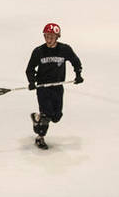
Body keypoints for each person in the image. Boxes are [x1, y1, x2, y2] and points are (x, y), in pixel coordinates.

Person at [25, 22, 83, 150]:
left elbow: (76, 61)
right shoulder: (39, 51)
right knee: (47, 115)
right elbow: (30, 69)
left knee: (56, 117)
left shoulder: (65, 49)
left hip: (58, 87)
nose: (48, 39)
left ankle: (37, 118)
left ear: (57, 37)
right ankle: (40, 138)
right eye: (46, 36)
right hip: (43, 88)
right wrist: (32, 81)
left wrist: (78, 74)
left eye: (51, 36)